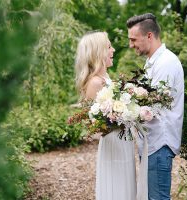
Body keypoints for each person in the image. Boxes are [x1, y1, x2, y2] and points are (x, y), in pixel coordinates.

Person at [127, 13, 184, 200]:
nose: (131, 45)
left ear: (149, 36)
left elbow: (152, 106)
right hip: (150, 144)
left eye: (134, 39)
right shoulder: (153, 62)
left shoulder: (166, 63)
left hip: (159, 144)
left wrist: (121, 110)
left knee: (157, 198)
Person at [74, 31, 137, 200]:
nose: (113, 50)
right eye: (109, 46)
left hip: (123, 141)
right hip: (113, 142)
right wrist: (120, 115)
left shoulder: (106, 77)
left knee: (125, 184)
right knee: (116, 188)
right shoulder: (95, 82)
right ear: (98, 52)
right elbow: (95, 124)